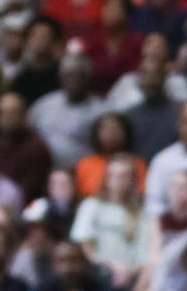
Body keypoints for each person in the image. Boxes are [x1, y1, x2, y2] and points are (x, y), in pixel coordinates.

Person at [69, 157, 150, 291]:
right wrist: (114, 267)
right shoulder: (91, 205)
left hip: (133, 273)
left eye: (123, 175)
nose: (117, 179)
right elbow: (85, 245)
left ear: (133, 180)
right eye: (112, 174)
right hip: (99, 271)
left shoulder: (142, 213)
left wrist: (130, 272)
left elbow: (146, 250)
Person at [29, 54, 110, 170]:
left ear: (89, 78)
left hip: (80, 173)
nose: (74, 80)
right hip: (41, 171)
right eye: (69, 75)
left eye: (80, 75)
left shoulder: (101, 111)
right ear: (61, 78)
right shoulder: (43, 105)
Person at [0, 93, 53, 202]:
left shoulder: (36, 148)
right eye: (2, 113)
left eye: (12, 113)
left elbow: (28, 191)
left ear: (23, 115)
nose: (6, 118)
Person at [105, 33, 187, 113]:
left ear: (166, 54)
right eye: (148, 44)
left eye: (158, 47)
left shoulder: (179, 82)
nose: (152, 50)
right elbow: (110, 111)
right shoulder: (126, 81)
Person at [82, 0, 144, 96]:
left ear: (126, 14)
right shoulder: (92, 41)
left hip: (128, 97)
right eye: (108, 7)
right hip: (95, 97)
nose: (111, 12)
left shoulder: (138, 42)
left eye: (116, 8)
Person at [122, 55, 181, 161]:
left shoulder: (180, 113)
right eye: (145, 74)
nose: (149, 80)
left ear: (164, 76)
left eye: (155, 74)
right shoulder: (129, 116)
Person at [76, 114, 147, 199]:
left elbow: (142, 195)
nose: (111, 133)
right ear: (96, 133)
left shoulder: (137, 164)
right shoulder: (85, 165)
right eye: (106, 129)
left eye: (116, 129)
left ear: (126, 132)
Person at [9, 16, 64, 106]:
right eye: (34, 35)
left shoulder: (63, 77)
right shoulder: (21, 79)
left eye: (43, 36)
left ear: (54, 41)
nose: (38, 40)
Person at [36, 242, 104, 291]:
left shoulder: (99, 286)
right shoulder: (42, 288)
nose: (68, 266)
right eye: (61, 260)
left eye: (74, 260)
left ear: (83, 263)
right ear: (53, 264)